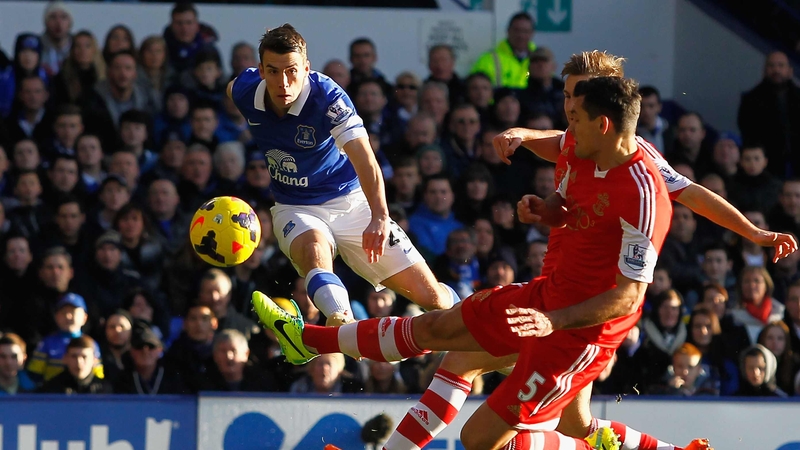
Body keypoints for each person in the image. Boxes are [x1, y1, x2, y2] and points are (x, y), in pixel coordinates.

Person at [255, 76, 674, 449]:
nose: (567, 122)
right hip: (545, 296)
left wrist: (555, 321)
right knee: (440, 329)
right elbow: (574, 208)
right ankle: (307, 340)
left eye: (575, 113)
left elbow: (628, 297)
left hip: (581, 332)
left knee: (486, 437)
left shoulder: (643, 192)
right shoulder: (584, 153)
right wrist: (547, 211)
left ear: (603, 124)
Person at [227, 24, 457, 327]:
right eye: (273, 71)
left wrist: (379, 216)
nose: (283, 82)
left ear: (307, 69)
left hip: (352, 202)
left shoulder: (328, 97)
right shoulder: (244, 91)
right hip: (295, 206)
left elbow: (366, 160)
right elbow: (231, 88)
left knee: (433, 299)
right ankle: (340, 320)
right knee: (313, 249)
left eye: (292, 71)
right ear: (260, 71)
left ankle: (473, 321)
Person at [470, 11, 536, 89]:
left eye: (525, 31)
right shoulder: (488, 60)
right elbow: (475, 90)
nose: (521, 35)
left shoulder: (539, 60)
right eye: (517, 30)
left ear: (532, 33)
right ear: (508, 31)